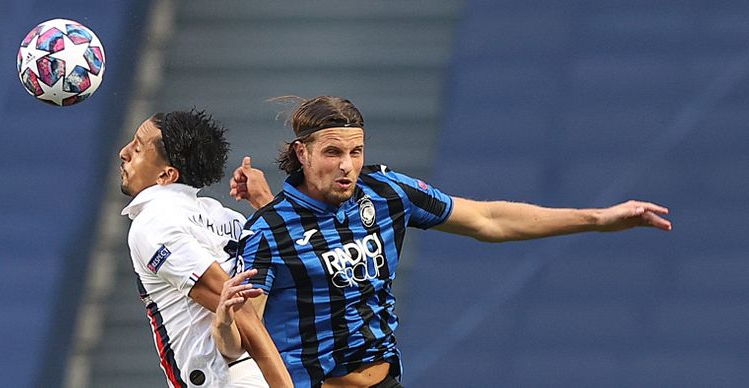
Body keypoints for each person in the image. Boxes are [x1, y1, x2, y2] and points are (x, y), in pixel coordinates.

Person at [225, 96, 672, 388]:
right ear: (302, 153)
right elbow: (243, 337)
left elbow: (488, 219)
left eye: (355, 152)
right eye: (333, 153)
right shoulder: (268, 230)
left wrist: (596, 218)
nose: (347, 166)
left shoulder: (387, 192)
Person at [119, 109, 292, 388]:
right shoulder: (229, 218)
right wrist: (266, 205)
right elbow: (288, 253)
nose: (124, 152)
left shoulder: (154, 224)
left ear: (166, 174)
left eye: (137, 148)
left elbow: (242, 313)